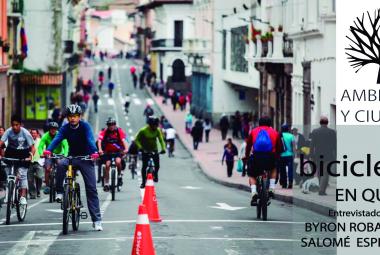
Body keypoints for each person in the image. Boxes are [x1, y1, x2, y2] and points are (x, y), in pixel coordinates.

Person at [43, 104, 103, 231]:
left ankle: (97, 220)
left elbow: (90, 139)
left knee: (91, 189)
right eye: (70, 116)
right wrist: (48, 150)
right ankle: (60, 192)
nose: (73, 119)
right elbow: (57, 139)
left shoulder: (85, 126)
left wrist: (94, 152)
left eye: (75, 116)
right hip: (72, 157)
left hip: (86, 158)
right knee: (60, 165)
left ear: (79, 117)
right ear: (68, 117)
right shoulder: (65, 128)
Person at [244, 116, 280, 206]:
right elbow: (280, 148)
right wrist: (277, 156)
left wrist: (247, 156)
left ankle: (254, 193)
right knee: (273, 168)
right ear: (270, 123)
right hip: (270, 157)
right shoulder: (275, 132)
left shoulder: (254, 131)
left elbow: (248, 146)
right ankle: (271, 188)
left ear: (259, 123)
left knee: (252, 174)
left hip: (256, 157)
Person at [0, 115, 35, 206]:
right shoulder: (8, 131)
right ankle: (8, 194)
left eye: (17, 125)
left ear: (20, 125)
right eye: (13, 125)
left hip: (23, 153)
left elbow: (32, 147)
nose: (15, 127)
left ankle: (23, 196)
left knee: (23, 175)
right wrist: (2, 155)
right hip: (11, 152)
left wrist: (30, 156)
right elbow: (1, 143)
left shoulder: (25, 133)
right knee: (9, 175)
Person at [97, 118, 128, 192]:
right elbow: (99, 141)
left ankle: (120, 175)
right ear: (107, 125)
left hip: (118, 151)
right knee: (107, 165)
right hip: (108, 152)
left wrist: (126, 149)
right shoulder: (105, 131)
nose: (111, 126)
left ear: (115, 125)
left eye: (113, 124)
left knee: (118, 162)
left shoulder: (119, 131)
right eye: (109, 125)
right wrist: (100, 149)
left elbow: (124, 140)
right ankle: (106, 183)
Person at [134, 116, 166, 189]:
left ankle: (155, 174)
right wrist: (140, 147)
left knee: (157, 165)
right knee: (144, 166)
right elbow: (136, 140)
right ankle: (143, 182)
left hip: (154, 149)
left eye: (156, 125)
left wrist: (163, 148)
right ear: (150, 125)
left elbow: (161, 140)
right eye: (154, 125)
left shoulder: (157, 130)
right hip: (145, 150)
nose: (155, 127)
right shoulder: (143, 130)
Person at [38, 122, 69, 195]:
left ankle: (61, 182)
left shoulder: (60, 135)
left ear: (57, 129)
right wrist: (41, 153)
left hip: (59, 154)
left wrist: (65, 154)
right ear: (49, 129)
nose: (53, 130)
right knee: (47, 169)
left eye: (54, 129)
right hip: (49, 154)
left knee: (60, 166)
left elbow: (66, 145)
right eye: (51, 129)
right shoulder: (45, 136)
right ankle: (47, 186)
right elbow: (40, 146)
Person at [310, 116, 337, 196]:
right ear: (327, 123)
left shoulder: (315, 131)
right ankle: (322, 190)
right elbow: (334, 145)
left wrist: (311, 155)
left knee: (319, 172)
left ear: (320, 123)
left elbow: (312, 145)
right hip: (328, 155)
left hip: (317, 155)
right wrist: (335, 155)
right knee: (325, 173)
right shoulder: (332, 132)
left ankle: (321, 188)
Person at [278, 124, 296, 189]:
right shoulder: (291, 136)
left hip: (281, 155)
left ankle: (284, 184)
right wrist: (294, 155)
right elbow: (293, 146)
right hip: (289, 155)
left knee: (282, 170)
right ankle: (290, 183)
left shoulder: (279, 136)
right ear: (288, 129)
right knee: (290, 169)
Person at [28, 129, 44, 199]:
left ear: (37, 134)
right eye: (32, 133)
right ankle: (32, 193)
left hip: (38, 161)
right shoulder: (27, 141)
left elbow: (44, 150)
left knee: (39, 177)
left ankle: (38, 190)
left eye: (34, 133)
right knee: (30, 179)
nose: (33, 135)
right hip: (29, 162)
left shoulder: (41, 141)